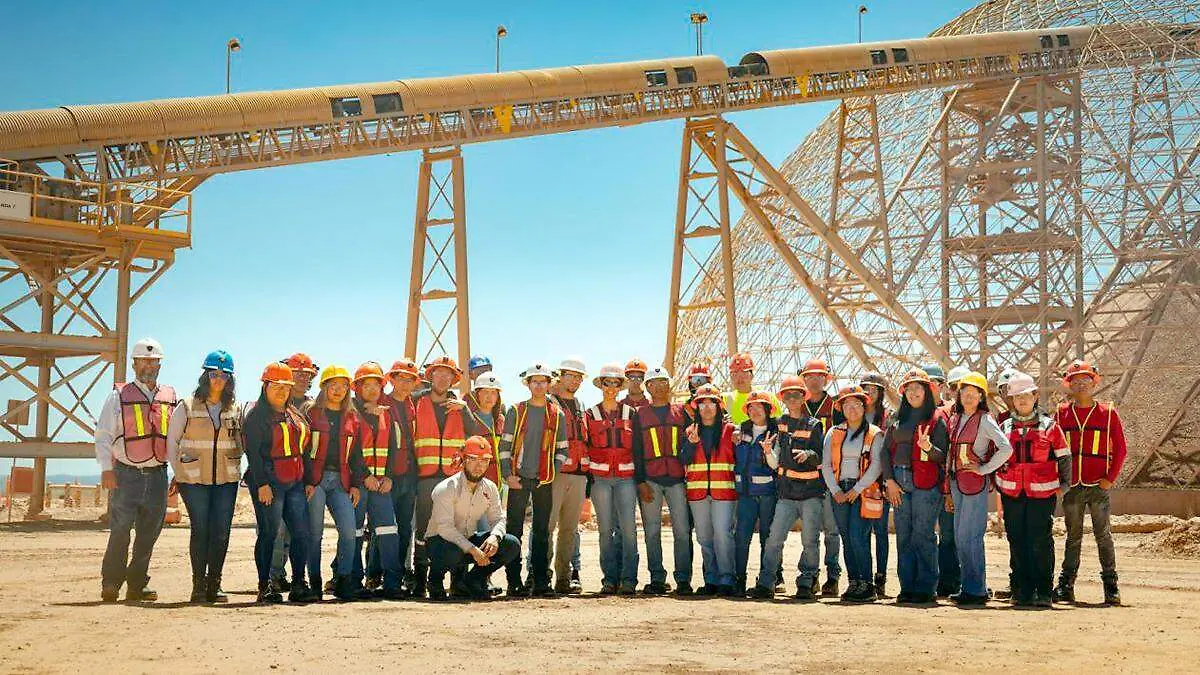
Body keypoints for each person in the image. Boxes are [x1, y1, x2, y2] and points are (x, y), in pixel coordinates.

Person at [96, 338, 178, 603]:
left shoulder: (170, 397)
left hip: (157, 474)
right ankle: (111, 583)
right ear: (134, 363)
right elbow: (103, 435)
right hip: (126, 474)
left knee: (149, 533)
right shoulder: (118, 396)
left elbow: (176, 438)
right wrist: (107, 469)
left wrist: (178, 471)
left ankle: (136, 585)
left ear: (160, 365)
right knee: (120, 530)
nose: (149, 365)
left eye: (154, 361)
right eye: (144, 360)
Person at [167, 349, 240, 604]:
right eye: (213, 374)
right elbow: (172, 442)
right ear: (205, 376)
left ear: (230, 379)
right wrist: (179, 472)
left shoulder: (234, 409)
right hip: (194, 481)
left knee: (221, 532)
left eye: (223, 375)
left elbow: (241, 442)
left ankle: (214, 584)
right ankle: (198, 585)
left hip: (226, 481)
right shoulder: (186, 406)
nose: (218, 379)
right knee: (201, 530)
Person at [1053, 359, 1128, 606]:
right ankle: (1066, 586)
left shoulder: (1107, 414)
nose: (1081, 384)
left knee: (1103, 535)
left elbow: (1120, 450)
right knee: (1072, 537)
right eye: (1076, 381)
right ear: (1069, 385)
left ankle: (1111, 586)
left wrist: (1110, 479)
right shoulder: (1061, 414)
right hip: (1072, 487)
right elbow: (1053, 449)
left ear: (1094, 383)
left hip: (1098, 486)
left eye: (1086, 380)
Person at [995, 371, 1071, 608]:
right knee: (1017, 540)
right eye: (1017, 397)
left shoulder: (1050, 427)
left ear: (1035, 396)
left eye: (1026, 395)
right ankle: (1021, 590)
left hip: (1042, 495)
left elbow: (1064, 458)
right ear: (1012, 400)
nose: (1022, 401)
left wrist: (1064, 486)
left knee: (1040, 541)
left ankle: (1043, 590)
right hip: (1012, 494)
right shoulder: (1004, 427)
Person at [244, 362, 316, 603]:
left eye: (286, 387)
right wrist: (262, 484)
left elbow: (303, 449)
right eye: (276, 386)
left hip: (295, 482)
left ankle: (298, 583)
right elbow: (252, 453)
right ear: (265, 386)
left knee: (301, 533)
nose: (282, 391)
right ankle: (264, 587)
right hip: (268, 484)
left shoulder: (295, 414)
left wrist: (307, 480)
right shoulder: (256, 416)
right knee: (268, 533)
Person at [410, 355, 479, 598]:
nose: (443, 378)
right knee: (423, 530)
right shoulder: (416, 401)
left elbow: (477, 438)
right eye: (438, 373)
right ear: (430, 376)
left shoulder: (460, 406)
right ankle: (420, 580)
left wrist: (467, 410)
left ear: (454, 379)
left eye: (448, 374)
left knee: (457, 528)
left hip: (453, 478)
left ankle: (456, 581)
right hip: (425, 477)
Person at [752, 375, 826, 599]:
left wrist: (809, 454)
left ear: (804, 397)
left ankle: (807, 580)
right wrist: (767, 451)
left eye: (796, 394)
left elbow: (821, 456)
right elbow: (776, 461)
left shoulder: (814, 425)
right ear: (782, 398)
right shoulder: (780, 424)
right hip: (786, 494)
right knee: (774, 539)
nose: (792, 398)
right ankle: (767, 582)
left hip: (810, 493)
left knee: (810, 540)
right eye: (788, 395)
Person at [499, 361, 568, 597]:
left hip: (543, 481)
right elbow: (505, 446)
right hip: (518, 479)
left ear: (549, 385)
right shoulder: (516, 411)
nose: (539, 385)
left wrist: (551, 472)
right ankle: (514, 581)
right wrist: (508, 475)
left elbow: (562, 450)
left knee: (541, 532)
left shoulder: (556, 415)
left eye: (543, 381)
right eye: (535, 381)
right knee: (513, 531)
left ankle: (540, 581)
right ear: (528, 384)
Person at [881, 368, 949, 605]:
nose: (913, 393)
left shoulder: (937, 420)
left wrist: (928, 447)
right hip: (899, 484)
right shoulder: (897, 420)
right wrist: (889, 481)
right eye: (909, 390)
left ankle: (926, 587)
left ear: (927, 391)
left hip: (925, 485)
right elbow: (884, 453)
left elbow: (942, 457)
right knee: (904, 536)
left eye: (917, 389)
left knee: (923, 535)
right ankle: (907, 587)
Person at [944, 371, 1013, 606]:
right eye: (965, 392)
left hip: (974, 485)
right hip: (957, 483)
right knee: (961, 537)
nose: (968, 397)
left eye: (973, 393)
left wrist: (984, 469)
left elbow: (1006, 448)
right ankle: (970, 586)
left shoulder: (985, 420)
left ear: (981, 396)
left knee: (970, 537)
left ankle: (976, 589)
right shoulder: (955, 418)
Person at [425, 436, 521, 601]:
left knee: (511, 544)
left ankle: (474, 579)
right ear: (463, 460)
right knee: (453, 551)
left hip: (467, 539)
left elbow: (498, 519)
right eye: (473, 459)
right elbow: (445, 529)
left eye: (484, 460)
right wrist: (473, 550)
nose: (479, 466)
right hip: (440, 542)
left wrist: (494, 537)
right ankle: (435, 580)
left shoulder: (490, 488)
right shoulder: (446, 488)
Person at [305, 365, 366, 601]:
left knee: (349, 532)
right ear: (324, 388)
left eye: (343, 386)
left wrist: (356, 485)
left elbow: (357, 455)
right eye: (333, 385)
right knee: (315, 534)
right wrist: (308, 481)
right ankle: (314, 582)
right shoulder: (311, 413)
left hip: (341, 481)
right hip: (316, 482)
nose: (338, 390)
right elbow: (303, 450)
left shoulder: (352, 417)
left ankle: (343, 579)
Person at [633, 365, 694, 595]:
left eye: (663, 382)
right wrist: (640, 482)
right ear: (647, 387)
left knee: (682, 530)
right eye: (654, 383)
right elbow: (636, 451)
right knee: (652, 531)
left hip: (677, 479)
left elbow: (690, 445)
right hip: (651, 480)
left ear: (669, 385)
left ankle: (683, 579)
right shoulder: (640, 415)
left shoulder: (681, 413)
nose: (659, 386)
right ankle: (657, 578)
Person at [821, 386, 886, 602]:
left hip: (863, 491)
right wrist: (836, 490)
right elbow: (827, 464)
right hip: (839, 490)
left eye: (857, 404)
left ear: (864, 407)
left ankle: (867, 584)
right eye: (847, 404)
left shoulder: (874, 433)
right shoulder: (834, 432)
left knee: (859, 536)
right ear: (841, 408)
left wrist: (856, 490)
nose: (852, 408)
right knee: (847, 537)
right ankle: (854, 582)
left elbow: (876, 465)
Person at [346, 362, 404, 600]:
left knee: (388, 531)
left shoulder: (386, 415)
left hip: (382, 485)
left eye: (376, 385)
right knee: (356, 532)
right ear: (357, 388)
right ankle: (354, 581)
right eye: (366, 385)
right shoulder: (349, 414)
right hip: (360, 485)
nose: (371, 390)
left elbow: (394, 448)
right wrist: (363, 477)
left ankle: (392, 583)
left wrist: (389, 476)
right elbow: (350, 451)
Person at [585, 363, 639, 595]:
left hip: (626, 478)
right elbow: (585, 448)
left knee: (628, 530)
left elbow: (638, 448)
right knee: (605, 530)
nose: (610, 387)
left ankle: (629, 579)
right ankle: (609, 579)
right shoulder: (590, 414)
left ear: (620, 387)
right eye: (606, 383)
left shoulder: (631, 414)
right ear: (601, 385)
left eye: (615, 383)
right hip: (601, 480)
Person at [681, 384, 738, 596]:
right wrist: (692, 444)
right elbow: (683, 460)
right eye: (702, 404)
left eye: (711, 403)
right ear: (696, 407)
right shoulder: (690, 431)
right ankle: (711, 579)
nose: (706, 408)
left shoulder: (731, 432)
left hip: (723, 492)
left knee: (723, 535)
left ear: (718, 407)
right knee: (704, 537)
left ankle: (726, 578)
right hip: (697, 494)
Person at [270, 352, 319, 593]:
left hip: (302, 479)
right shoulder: (271, 404)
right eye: (296, 373)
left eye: (306, 374)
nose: (301, 377)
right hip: (276, 479)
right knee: (277, 530)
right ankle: (274, 576)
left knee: (298, 530)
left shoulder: (313, 407)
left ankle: (299, 576)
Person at [371, 359, 420, 595]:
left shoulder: (415, 405)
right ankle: (374, 574)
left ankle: (397, 573)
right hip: (387, 477)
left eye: (410, 379)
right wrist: (386, 475)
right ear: (391, 379)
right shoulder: (381, 403)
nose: (405, 382)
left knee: (403, 529)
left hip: (410, 477)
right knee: (383, 528)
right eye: (401, 377)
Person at [799, 357, 843, 597]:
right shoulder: (797, 405)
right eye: (809, 377)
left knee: (832, 530)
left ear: (826, 379)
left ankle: (833, 576)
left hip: (830, 474)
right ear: (803, 379)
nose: (814, 381)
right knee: (810, 530)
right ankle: (811, 574)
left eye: (819, 376)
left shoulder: (836, 407)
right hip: (805, 477)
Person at [548, 357, 589, 594]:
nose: (574, 380)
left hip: (578, 475)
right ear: (561, 376)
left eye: (578, 377)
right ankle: (541, 575)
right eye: (570, 375)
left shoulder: (581, 407)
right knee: (547, 527)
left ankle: (563, 578)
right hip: (555, 474)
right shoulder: (550, 404)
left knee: (569, 529)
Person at [734, 391, 779, 597]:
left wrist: (768, 451)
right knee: (741, 538)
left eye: (759, 407)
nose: (754, 411)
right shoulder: (741, 431)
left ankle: (766, 582)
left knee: (766, 539)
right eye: (751, 407)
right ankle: (738, 580)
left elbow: (776, 465)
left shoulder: (776, 431)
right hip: (745, 495)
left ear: (768, 410)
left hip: (767, 494)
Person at [936, 365, 968, 597]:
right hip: (942, 483)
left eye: (963, 387)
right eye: (955, 387)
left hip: (966, 484)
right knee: (946, 535)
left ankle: (967, 582)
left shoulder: (979, 416)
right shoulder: (944, 414)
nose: (958, 391)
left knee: (966, 536)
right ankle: (948, 581)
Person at [859, 371, 891, 597]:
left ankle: (880, 577)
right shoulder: (854, 414)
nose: (868, 391)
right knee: (861, 531)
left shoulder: (888, 417)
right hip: (859, 480)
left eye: (872, 388)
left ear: (880, 392)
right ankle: (864, 577)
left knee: (880, 531)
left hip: (880, 481)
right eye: (865, 387)